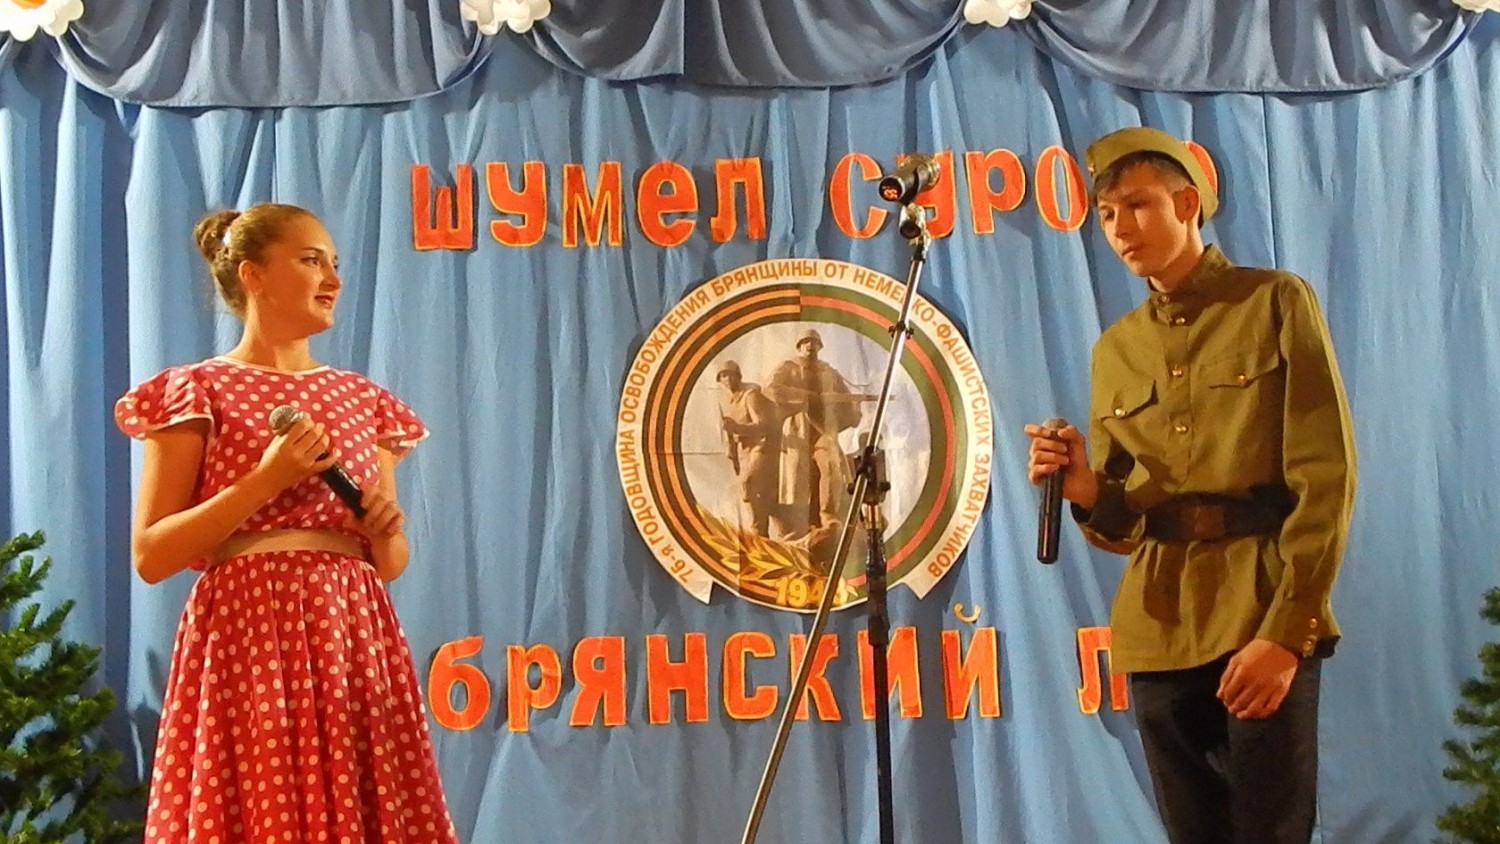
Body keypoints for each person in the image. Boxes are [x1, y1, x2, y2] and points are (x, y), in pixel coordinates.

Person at [1024, 127, 1356, 844]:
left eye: (1138, 205)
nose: (1120, 228)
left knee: (1270, 831)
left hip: (1260, 607)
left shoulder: (1273, 301)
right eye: (1106, 214)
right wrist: (1082, 487)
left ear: (1185, 204)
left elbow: (1326, 477)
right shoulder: (1116, 349)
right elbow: (1124, 524)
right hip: (1158, 627)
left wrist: (1287, 632)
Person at [114, 203, 459, 842]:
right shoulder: (196, 390)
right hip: (246, 631)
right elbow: (152, 554)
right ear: (253, 275)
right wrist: (265, 481)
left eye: (334, 263)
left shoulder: (363, 399)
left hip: (350, 632)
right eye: (310, 260)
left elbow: (389, 564)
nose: (333, 278)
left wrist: (385, 531)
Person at [763, 328, 866, 542]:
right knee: (796, 477)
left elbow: (845, 398)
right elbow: (771, 389)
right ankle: (797, 525)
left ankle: (829, 517)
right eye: (805, 342)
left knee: (831, 465)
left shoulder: (830, 372)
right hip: (798, 429)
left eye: (814, 342)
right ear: (799, 346)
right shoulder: (788, 367)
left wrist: (853, 414)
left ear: (820, 346)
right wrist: (807, 396)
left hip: (823, 429)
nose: (810, 345)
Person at [715, 359, 779, 537]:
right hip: (743, 451)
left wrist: (738, 428)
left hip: (761, 448)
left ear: (738, 376)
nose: (727, 379)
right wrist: (732, 451)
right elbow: (728, 430)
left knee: (747, 484)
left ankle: (758, 531)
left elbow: (764, 426)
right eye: (723, 376)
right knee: (751, 495)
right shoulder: (727, 401)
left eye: (730, 375)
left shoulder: (750, 395)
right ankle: (759, 533)